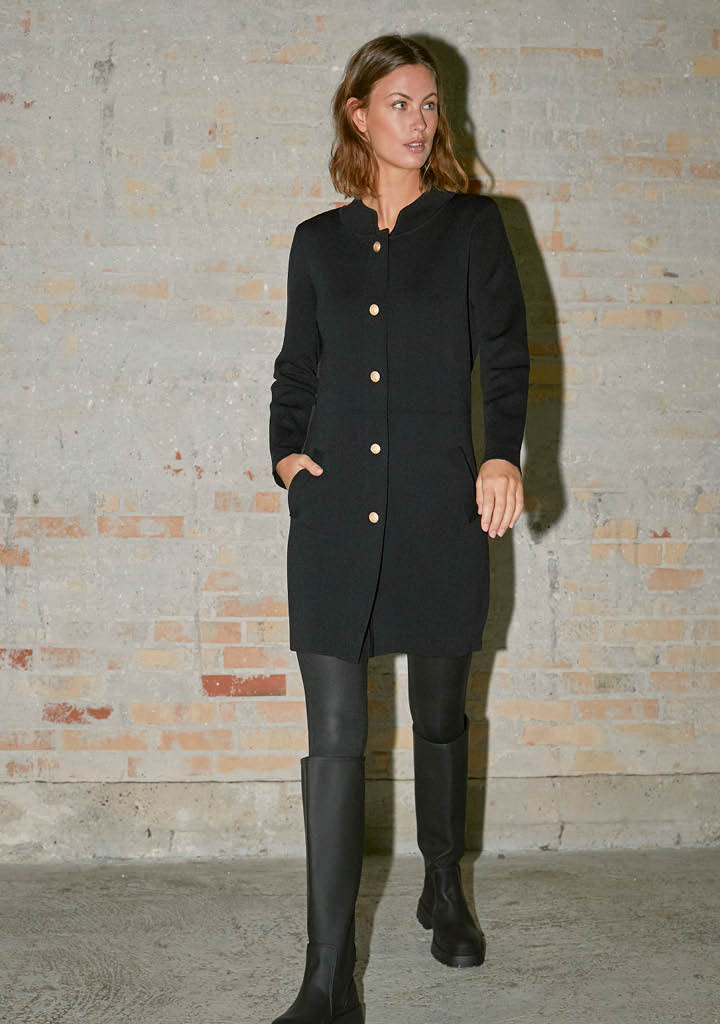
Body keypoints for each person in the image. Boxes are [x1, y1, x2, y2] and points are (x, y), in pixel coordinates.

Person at [268, 33, 530, 1024]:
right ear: (359, 114)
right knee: (334, 738)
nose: (418, 122)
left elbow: (505, 354)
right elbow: (295, 368)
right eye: (399, 104)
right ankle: (327, 976)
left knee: (439, 714)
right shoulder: (316, 243)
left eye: (429, 106)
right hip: (336, 514)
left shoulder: (473, 227)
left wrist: (501, 454)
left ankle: (444, 887)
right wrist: (286, 455)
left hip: (438, 507)